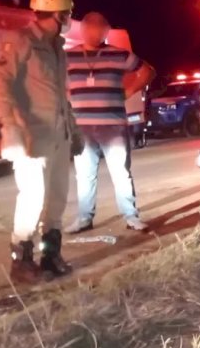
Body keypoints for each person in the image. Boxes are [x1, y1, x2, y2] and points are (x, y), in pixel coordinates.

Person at [0, 0, 83, 282]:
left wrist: (74, 130)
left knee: (56, 197)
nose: (69, 16)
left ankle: (50, 256)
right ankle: (22, 261)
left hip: (58, 135)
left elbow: (59, 94)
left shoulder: (57, 47)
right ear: (57, 12)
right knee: (32, 197)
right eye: (67, 12)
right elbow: (1, 87)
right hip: (31, 136)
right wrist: (12, 130)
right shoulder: (21, 41)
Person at [64, 12, 155, 234]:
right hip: (82, 127)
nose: (92, 31)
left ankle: (131, 216)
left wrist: (130, 90)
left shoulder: (118, 54)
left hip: (112, 125)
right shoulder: (67, 57)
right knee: (84, 174)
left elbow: (148, 71)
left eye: (98, 27)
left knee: (121, 172)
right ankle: (84, 218)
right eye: (88, 27)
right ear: (83, 29)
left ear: (105, 31)